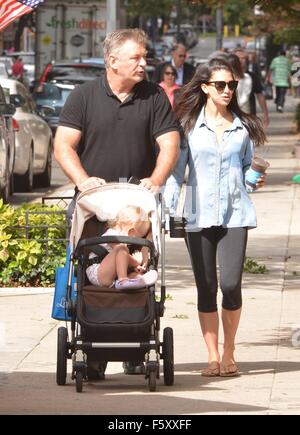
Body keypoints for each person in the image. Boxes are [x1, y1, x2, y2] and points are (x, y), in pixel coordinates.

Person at [54, 28, 180, 375]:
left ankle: (135, 347)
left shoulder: (154, 96)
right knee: (91, 274)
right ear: (112, 61)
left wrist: (155, 180)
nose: (144, 63)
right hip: (94, 204)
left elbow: (169, 143)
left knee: (140, 261)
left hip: (137, 205)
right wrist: (82, 181)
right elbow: (63, 145)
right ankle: (93, 351)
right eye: (136, 57)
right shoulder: (83, 96)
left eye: (144, 56)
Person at [164, 58, 266, 377]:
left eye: (232, 85)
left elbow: (250, 163)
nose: (227, 90)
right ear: (206, 87)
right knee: (206, 287)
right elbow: (176, 173)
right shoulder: (189, 127)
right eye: (220, 85)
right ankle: (211, 355)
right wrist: (166, 209)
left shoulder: (242, 127)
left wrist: (254, 177)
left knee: (231, 284)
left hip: (236, 213)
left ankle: (229, 350)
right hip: (198, 214)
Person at [86, 205, 157, 289]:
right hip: (98, 272)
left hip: (111, 276)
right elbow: (121, 253)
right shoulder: (112, 234)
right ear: (131, 231)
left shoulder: (122, 239)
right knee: (121, 249)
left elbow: (121, 261)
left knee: (135, 274)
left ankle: (138, 280)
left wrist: (136, 266)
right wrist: (137, 262)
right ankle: (123, 280)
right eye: (139, 237)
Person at [235, 48, 269, 128]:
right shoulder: (227, 77)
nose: (240, 60)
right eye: (238, 58)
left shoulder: (252, 77)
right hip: (231, 116)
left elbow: (260, 95)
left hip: (249, 116)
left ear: (247, 61)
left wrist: (265, 113)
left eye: (243, 58)